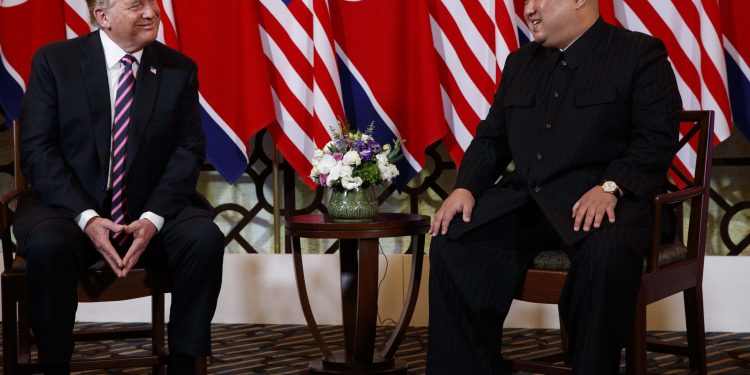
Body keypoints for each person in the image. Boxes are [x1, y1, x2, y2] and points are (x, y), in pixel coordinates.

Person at [426, 0, 681, 373]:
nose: (528, 8)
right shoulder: (520, 62)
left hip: (611, 202)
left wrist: (612, 185)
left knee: (604, 256)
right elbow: (491, 139)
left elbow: (655, 138)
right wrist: (465, 187)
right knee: (454, 237)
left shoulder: (640, 52)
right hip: (532, 202)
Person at [14, 0, 224, 373]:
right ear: (102, 17)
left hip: (149, 207)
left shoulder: (178, 68)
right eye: (136, 5)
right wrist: (87, 217)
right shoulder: (55, 62)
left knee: (203, 239)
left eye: (152, 3)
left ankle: (184, 363)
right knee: (47, 246)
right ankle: (54, 362)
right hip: (70, 208)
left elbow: (187, 150)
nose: (151, 12)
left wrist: (153, 218)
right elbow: (38, 150)